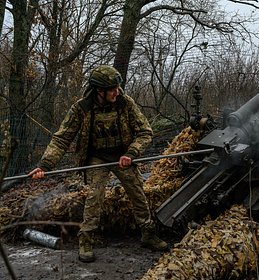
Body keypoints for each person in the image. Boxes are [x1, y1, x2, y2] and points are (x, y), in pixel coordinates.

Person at [28, 65, 168, 262]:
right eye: (112, 89)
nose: (116, 92)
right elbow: (62, 138)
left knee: (138, 192)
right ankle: (85, 240)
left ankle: (148, 234)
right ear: (99, 91)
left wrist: (132, 152)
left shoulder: (125, 103)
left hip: (122, 156)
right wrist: (45, 165)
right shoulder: (81, 108)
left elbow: (145, 131)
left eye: (117, 88)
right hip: (97, 158)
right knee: (95, 196)